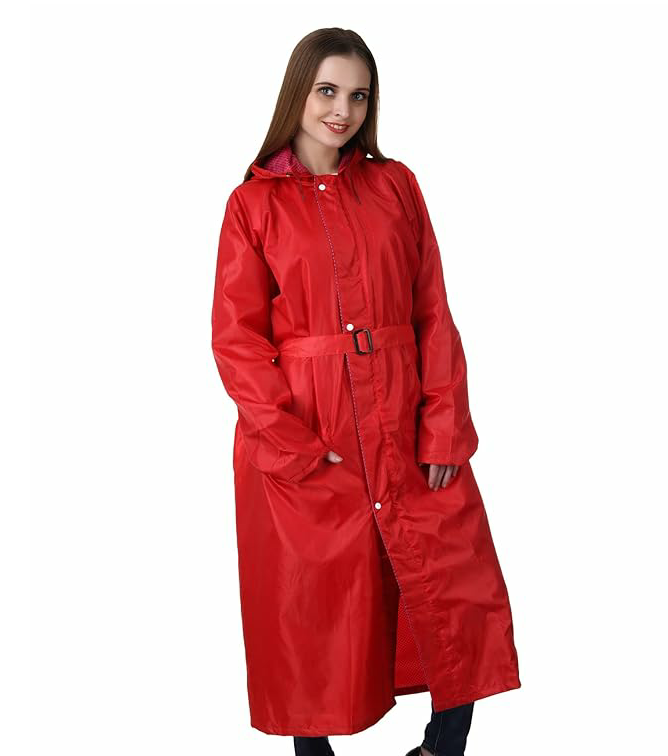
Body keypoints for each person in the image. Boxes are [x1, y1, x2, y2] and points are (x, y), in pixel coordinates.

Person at [211, 27, 521, 756]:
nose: (342, 111)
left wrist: (443, 427)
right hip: (312, 432)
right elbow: (237, 340)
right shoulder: (253, 205)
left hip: (404, 416)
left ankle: (443, 745)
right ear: (298, 92)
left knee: (455, 582)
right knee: (311, 604)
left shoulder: (395, 186)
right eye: (327, 91)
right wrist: (295, 450)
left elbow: (432, 310)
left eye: (358, 96)